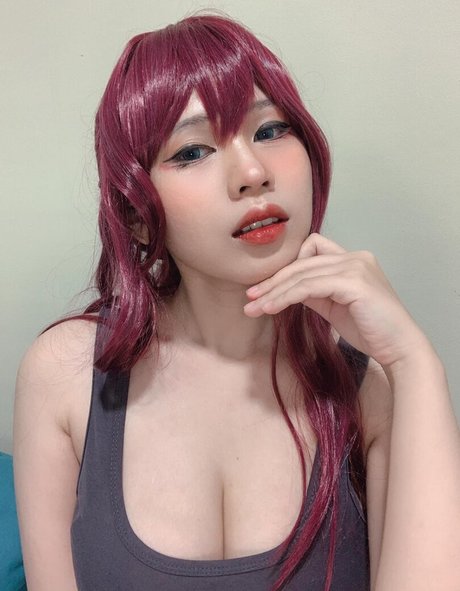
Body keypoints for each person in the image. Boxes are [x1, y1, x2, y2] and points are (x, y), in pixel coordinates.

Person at [13, 13, 460, 591]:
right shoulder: (67, 375)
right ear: (136, 215)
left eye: (270, 131)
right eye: (192, 151)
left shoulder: (368, 391)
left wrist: (414, 363)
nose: (251, 172)